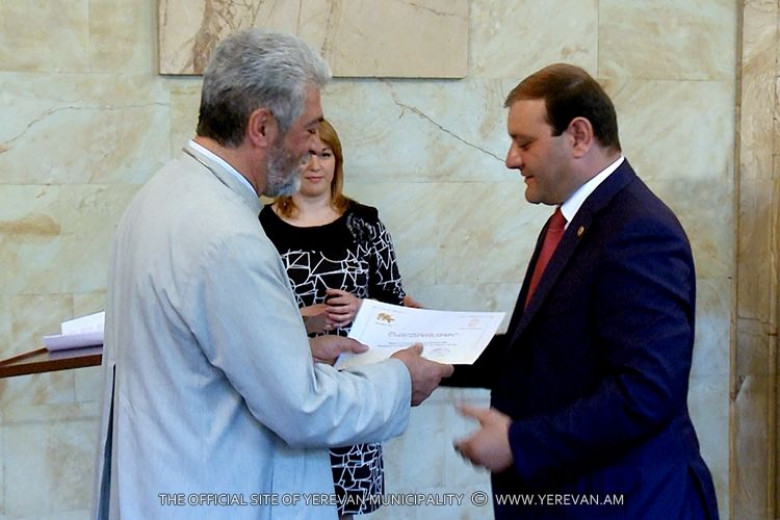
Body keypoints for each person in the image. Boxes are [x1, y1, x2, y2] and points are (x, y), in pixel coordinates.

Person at [92, 28, 452, 520]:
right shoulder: (228, 236)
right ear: (261, 127)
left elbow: (202, 356)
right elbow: (303, 409)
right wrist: (400, 380)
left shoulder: (161, 194)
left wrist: (293, 352)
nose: (311, 148)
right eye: (309, 128)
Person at [449, 63, 719, 519]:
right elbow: (542, 353)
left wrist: (519, 443)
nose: (511, 159)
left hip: (628, 503)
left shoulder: (640, 232)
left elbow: (646, 392)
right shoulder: (570, 220)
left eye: (524, 143)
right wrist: (436, 352)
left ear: (578, 136)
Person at [260, 118, 409, 519]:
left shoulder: (365, 224)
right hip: (288, 388)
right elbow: (247, 313)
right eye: (306, 155)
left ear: (336, 162)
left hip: (354, 388)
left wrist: (363, 309)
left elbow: (396, 303)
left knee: (344, 508)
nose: (315, 165)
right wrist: (301, 318)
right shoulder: (262, 227)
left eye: (324, 155)